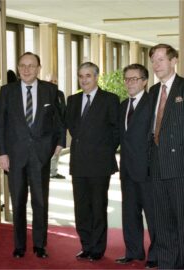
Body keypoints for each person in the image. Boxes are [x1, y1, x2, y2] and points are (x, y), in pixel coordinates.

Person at [0, 52, 65, 259]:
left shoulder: (50, 90)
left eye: (31, 65)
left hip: (40, 156)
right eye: (22, 65)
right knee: (17, 202)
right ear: (18, 68)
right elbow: (0, 124)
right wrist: (2, 153)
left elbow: (59, 121)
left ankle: (39, 245)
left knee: (40, 202)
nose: (26, 70)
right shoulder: (7, 91)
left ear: (38, 68)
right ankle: (19, 246)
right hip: (15, 156)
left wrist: (60, 143)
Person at [148, 44, 184, 269]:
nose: (156, 64)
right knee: (161, 222)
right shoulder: (153, 92)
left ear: (173, 61)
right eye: (153, 60)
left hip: (180, 166)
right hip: (156, 166)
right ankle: (167, 264)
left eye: (161, 59)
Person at [65, 62, 119, 261]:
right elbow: (71, 126)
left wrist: (104, 149)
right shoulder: (72, 100)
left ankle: (97, 248)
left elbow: (116, 131)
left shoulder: (110, 99)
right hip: (78, 162)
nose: (84, 79)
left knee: (98, 207)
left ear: (96, 77)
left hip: (99, 163)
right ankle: (86, 245)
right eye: (81, 76)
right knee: (81, 208)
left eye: (88, 75)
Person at [115, 64, 157, 268]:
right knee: (129, 213)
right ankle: (133, 251)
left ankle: (155, 255)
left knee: (153, 215)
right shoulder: (123, 106)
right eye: (127, 79)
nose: (129, 83)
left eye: (134, 79)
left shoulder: (154, 103)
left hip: (148, 171)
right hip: (127, 170)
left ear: (145, 81)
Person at [46, 74, 66, 179]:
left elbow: (63, 108)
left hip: (59, 127)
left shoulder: (60, 94)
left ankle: (53, 171)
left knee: (57, 150)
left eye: (55, 81)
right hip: (47, 128)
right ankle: (48, 171)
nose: (53, 83)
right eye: (51, 81)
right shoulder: (43, 94)